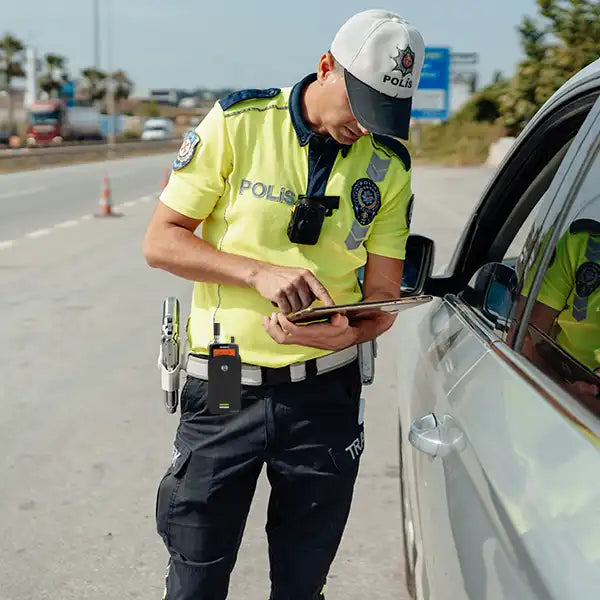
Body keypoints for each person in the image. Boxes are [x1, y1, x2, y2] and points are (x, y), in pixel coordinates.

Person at [143, 9, 424, 599]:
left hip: (324, 393)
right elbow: (161, 241)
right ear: (327, 67)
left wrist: (347, 335)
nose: (366, 128)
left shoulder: (388, 167)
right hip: (222, 375)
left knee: (302, 585)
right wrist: (257, 272)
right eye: (361, 106)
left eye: (384, 115)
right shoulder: (239, 123)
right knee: (195, 577)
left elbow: (381, 301)